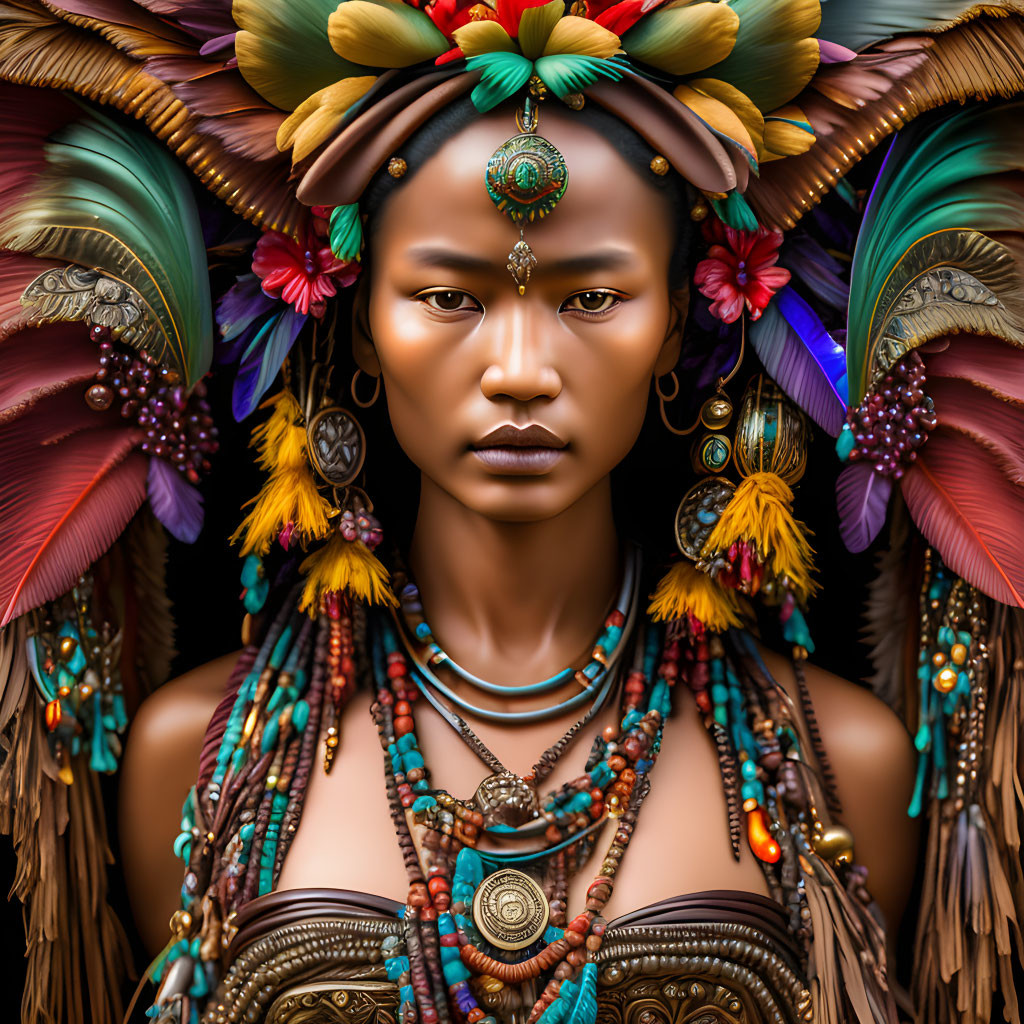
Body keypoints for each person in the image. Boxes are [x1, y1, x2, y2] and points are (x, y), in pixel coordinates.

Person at [0, 3, 1021, 1024]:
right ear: (360, 326)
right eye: (449, 297)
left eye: (592, 298)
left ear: (678, 323)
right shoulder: (196, 760)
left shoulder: (839, 764)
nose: (520, 373)